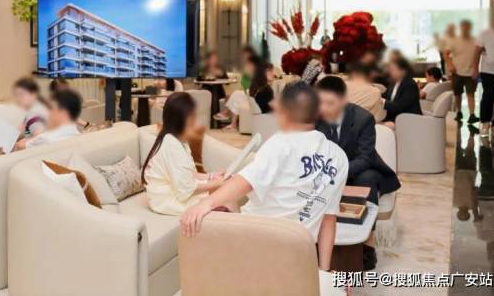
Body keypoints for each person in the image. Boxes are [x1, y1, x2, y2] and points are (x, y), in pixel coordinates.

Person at [180, 82, 348, 271]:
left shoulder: (281, 143)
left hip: (257, 243)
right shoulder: (339, 157)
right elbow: (328, 220)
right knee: (228, 194)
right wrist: (323, 271)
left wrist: (205, 204)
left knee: (213, 206)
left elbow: (245, 182)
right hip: (300, 254)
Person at [315, 76, 401, 270]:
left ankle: (367, 244)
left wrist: (338, 173)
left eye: (330, 103)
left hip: (360, 168)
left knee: (367, 179)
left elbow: (365, 157)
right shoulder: (314, 118)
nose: (324, 108)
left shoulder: (363, 118)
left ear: (343, 100)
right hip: (329, 170)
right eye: (320, 102)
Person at [142, 92, 228, 216]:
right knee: (224, 197)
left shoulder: (179, 141)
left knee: (225, 192)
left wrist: (211, 176)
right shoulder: (172, 145)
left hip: (175, 192)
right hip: (167, 200)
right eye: (193, 118)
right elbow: (185, 189)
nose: (197, 122)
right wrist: (215, 184)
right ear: (181, 121)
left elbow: (189, 174)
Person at [214, 56, 274, 129]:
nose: (273, 74)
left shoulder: (264, 87)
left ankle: (228, 116)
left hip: (263, 114)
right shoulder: (264, 89)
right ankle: (230, 119)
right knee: (237, 94)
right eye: (270, 71)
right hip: (263, 114)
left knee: (237, 94)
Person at [16, 89, 83, 150]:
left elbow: (20, 145)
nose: (49, 113)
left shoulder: (46, 139)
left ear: (63, 112)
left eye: (51, 108)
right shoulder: (80, 136)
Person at [445, 20, 479, 123]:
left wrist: (476, 69)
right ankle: (459, 112)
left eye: (467, 27)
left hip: (470, 72)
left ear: (470, 28)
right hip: (457, 71)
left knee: (471, 94)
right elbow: (446, 54)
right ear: (460, 28)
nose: (465, 29)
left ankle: (472, 115)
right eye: (463, 27)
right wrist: (450, 65)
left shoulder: (475, 40)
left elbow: (478, 55)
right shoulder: (454, 40)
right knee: (457, 93)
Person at [382, 57, 422, 129]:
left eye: (392, 69)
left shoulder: (410, 84)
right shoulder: (393, 82)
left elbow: (399, 106)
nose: (390, 72)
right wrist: (374, 94)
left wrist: (382, 101)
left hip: (408, 119)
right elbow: (384, 95)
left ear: (403, 70)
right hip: (395, 117)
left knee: (380, 127)